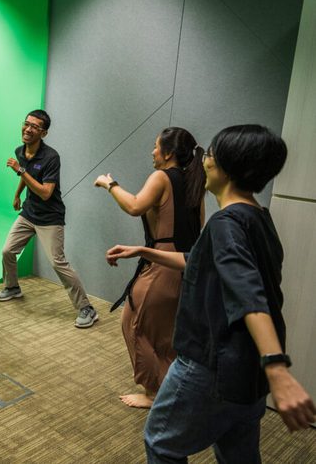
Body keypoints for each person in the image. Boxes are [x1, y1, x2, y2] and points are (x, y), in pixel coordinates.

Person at [106, 125, 315, 462]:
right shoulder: (258, 217)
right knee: (238, 453)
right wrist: (144, 252)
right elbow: (199, 262)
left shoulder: (226, 223)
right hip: (248, 374)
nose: (203, 162)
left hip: (210, 365)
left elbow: (248, 292)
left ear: (226, 167)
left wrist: (277, 367)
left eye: (211, 155)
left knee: (161, 443)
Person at [93, 127, 205, 408]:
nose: (152, 152)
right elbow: (199, 226)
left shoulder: (162, 176)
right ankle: (169, 387)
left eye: (156, 147)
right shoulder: (193, 182)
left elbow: (134, 206)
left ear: (167, 153)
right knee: (165, 333)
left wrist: (109, 184)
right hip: (185, 264)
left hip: (161, 265)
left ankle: (154, 393)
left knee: (133, 323)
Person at [0, 109, 98, 328]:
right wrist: (17, 194)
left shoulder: (51, 157)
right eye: (27, 124)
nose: (28, 129)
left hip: (50, 217)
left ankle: (86, 308)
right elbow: (27, 173)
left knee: (57, 262)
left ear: (43, 133)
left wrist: (19, 171)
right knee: (7, 251)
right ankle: (12, 287)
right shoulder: (20, 151)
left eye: (35, 127)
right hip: (28, 213)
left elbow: (45, 192)